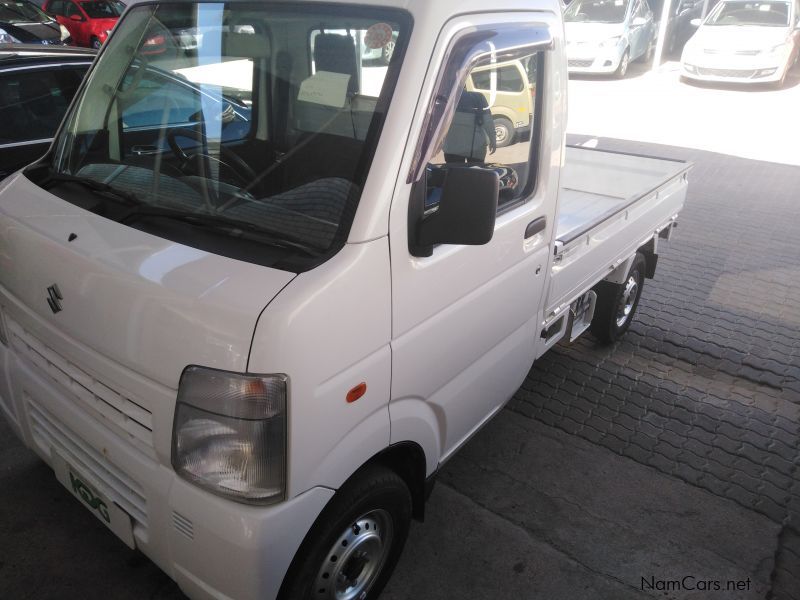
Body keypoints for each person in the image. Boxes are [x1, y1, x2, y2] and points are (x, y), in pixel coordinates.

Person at [443, 89, 496, 164]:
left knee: (455, 173)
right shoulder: (478, 98)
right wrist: (493, 139)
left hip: (453, 146)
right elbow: (488, 121)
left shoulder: (446, 99)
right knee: (475, 172)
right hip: (476, 146)